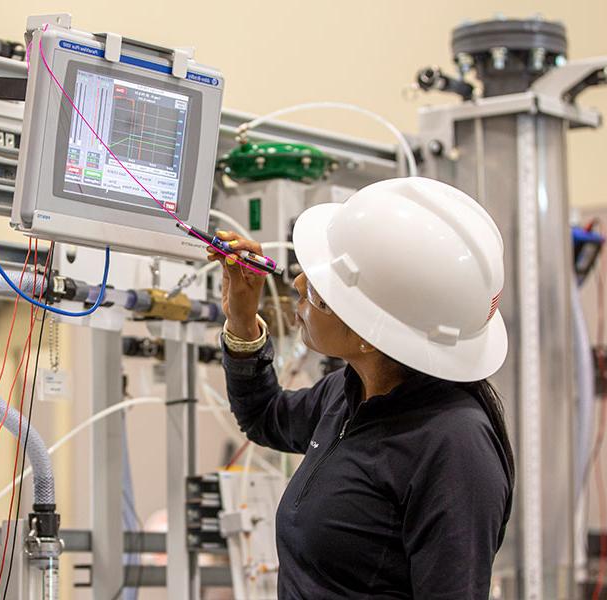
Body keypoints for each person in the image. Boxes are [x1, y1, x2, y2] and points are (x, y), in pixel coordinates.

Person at [210, 177, 514, 599]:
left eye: (320, 291)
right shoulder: (351, 392)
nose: (297, 285)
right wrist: (242, 318)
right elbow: (265, 417)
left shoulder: (453, 448)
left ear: (371, 333)